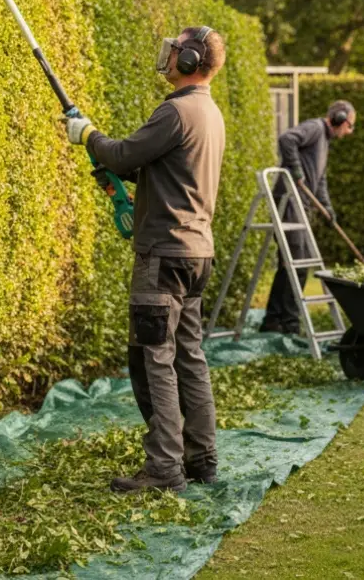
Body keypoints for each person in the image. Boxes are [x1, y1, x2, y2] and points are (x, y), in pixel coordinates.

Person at [64, 25, 227, 493]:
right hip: (197, 254)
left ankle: (164, 469)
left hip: (162, 256)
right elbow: (163, 170)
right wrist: (124, 172)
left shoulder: (176, 112)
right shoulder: (209, 113)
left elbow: (123, 153)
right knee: (189, 357)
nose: (169, 55)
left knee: (155, 359)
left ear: (192, 60)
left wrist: (88, 135)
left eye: (176, 50)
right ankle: (202, 459)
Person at [259, 101, 356, 334]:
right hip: (289, 201)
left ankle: (273, 320)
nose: (349, 132)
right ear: (341, 119)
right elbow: (286, 139)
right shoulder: (314, 128)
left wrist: (327, 208)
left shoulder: (324, 143)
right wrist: (295, 169)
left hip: (300, 205)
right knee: (298, 266)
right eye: (350, 126)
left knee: (288, 267)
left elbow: (319, 181)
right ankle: (291, 324)